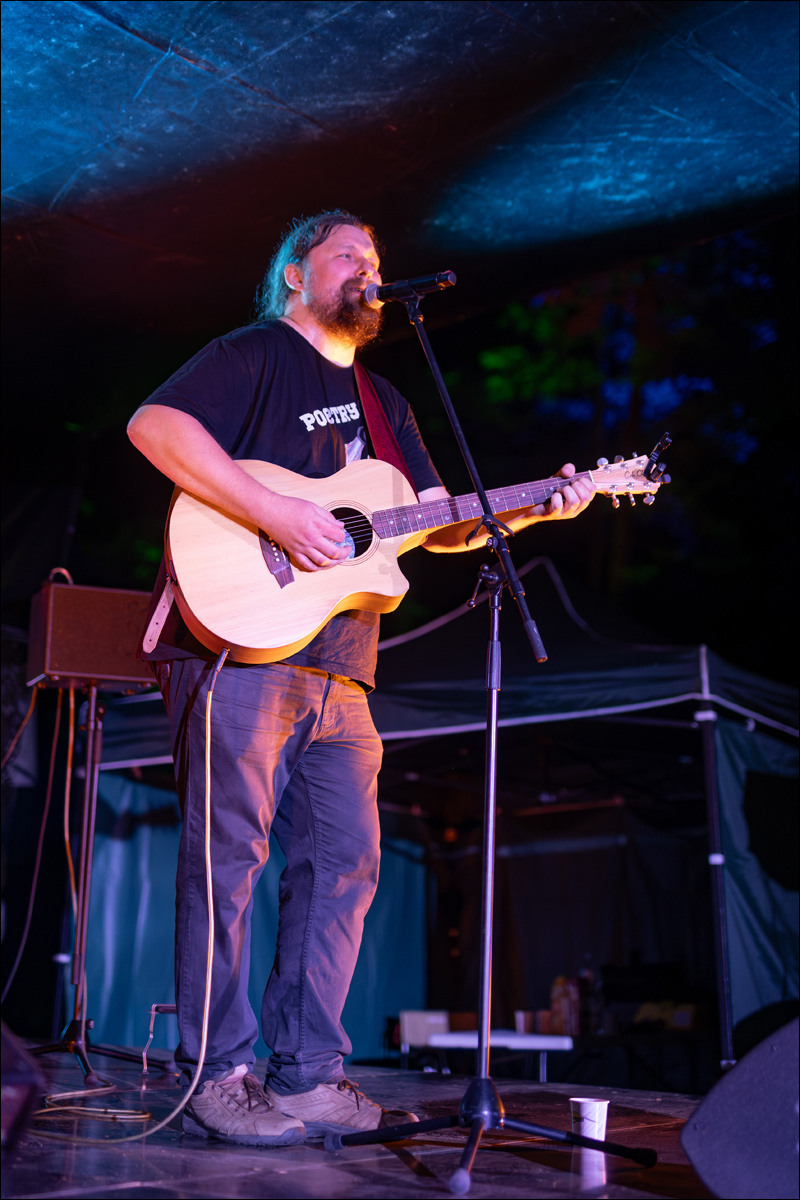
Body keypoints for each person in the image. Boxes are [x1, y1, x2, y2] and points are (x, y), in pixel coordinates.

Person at [127, 211, 595, 1147]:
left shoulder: (386, 402)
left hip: (345, 668)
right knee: (229, 863)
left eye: (376, 258)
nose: (368, 268)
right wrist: (275, 512)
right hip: (241, 650)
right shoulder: (255, 353)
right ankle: (219, 1075)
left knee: (344, 865)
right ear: (296, 274)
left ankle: (306, 1075)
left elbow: (436, 521)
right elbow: (154, 425)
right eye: (347, 254)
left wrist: (538, 509)